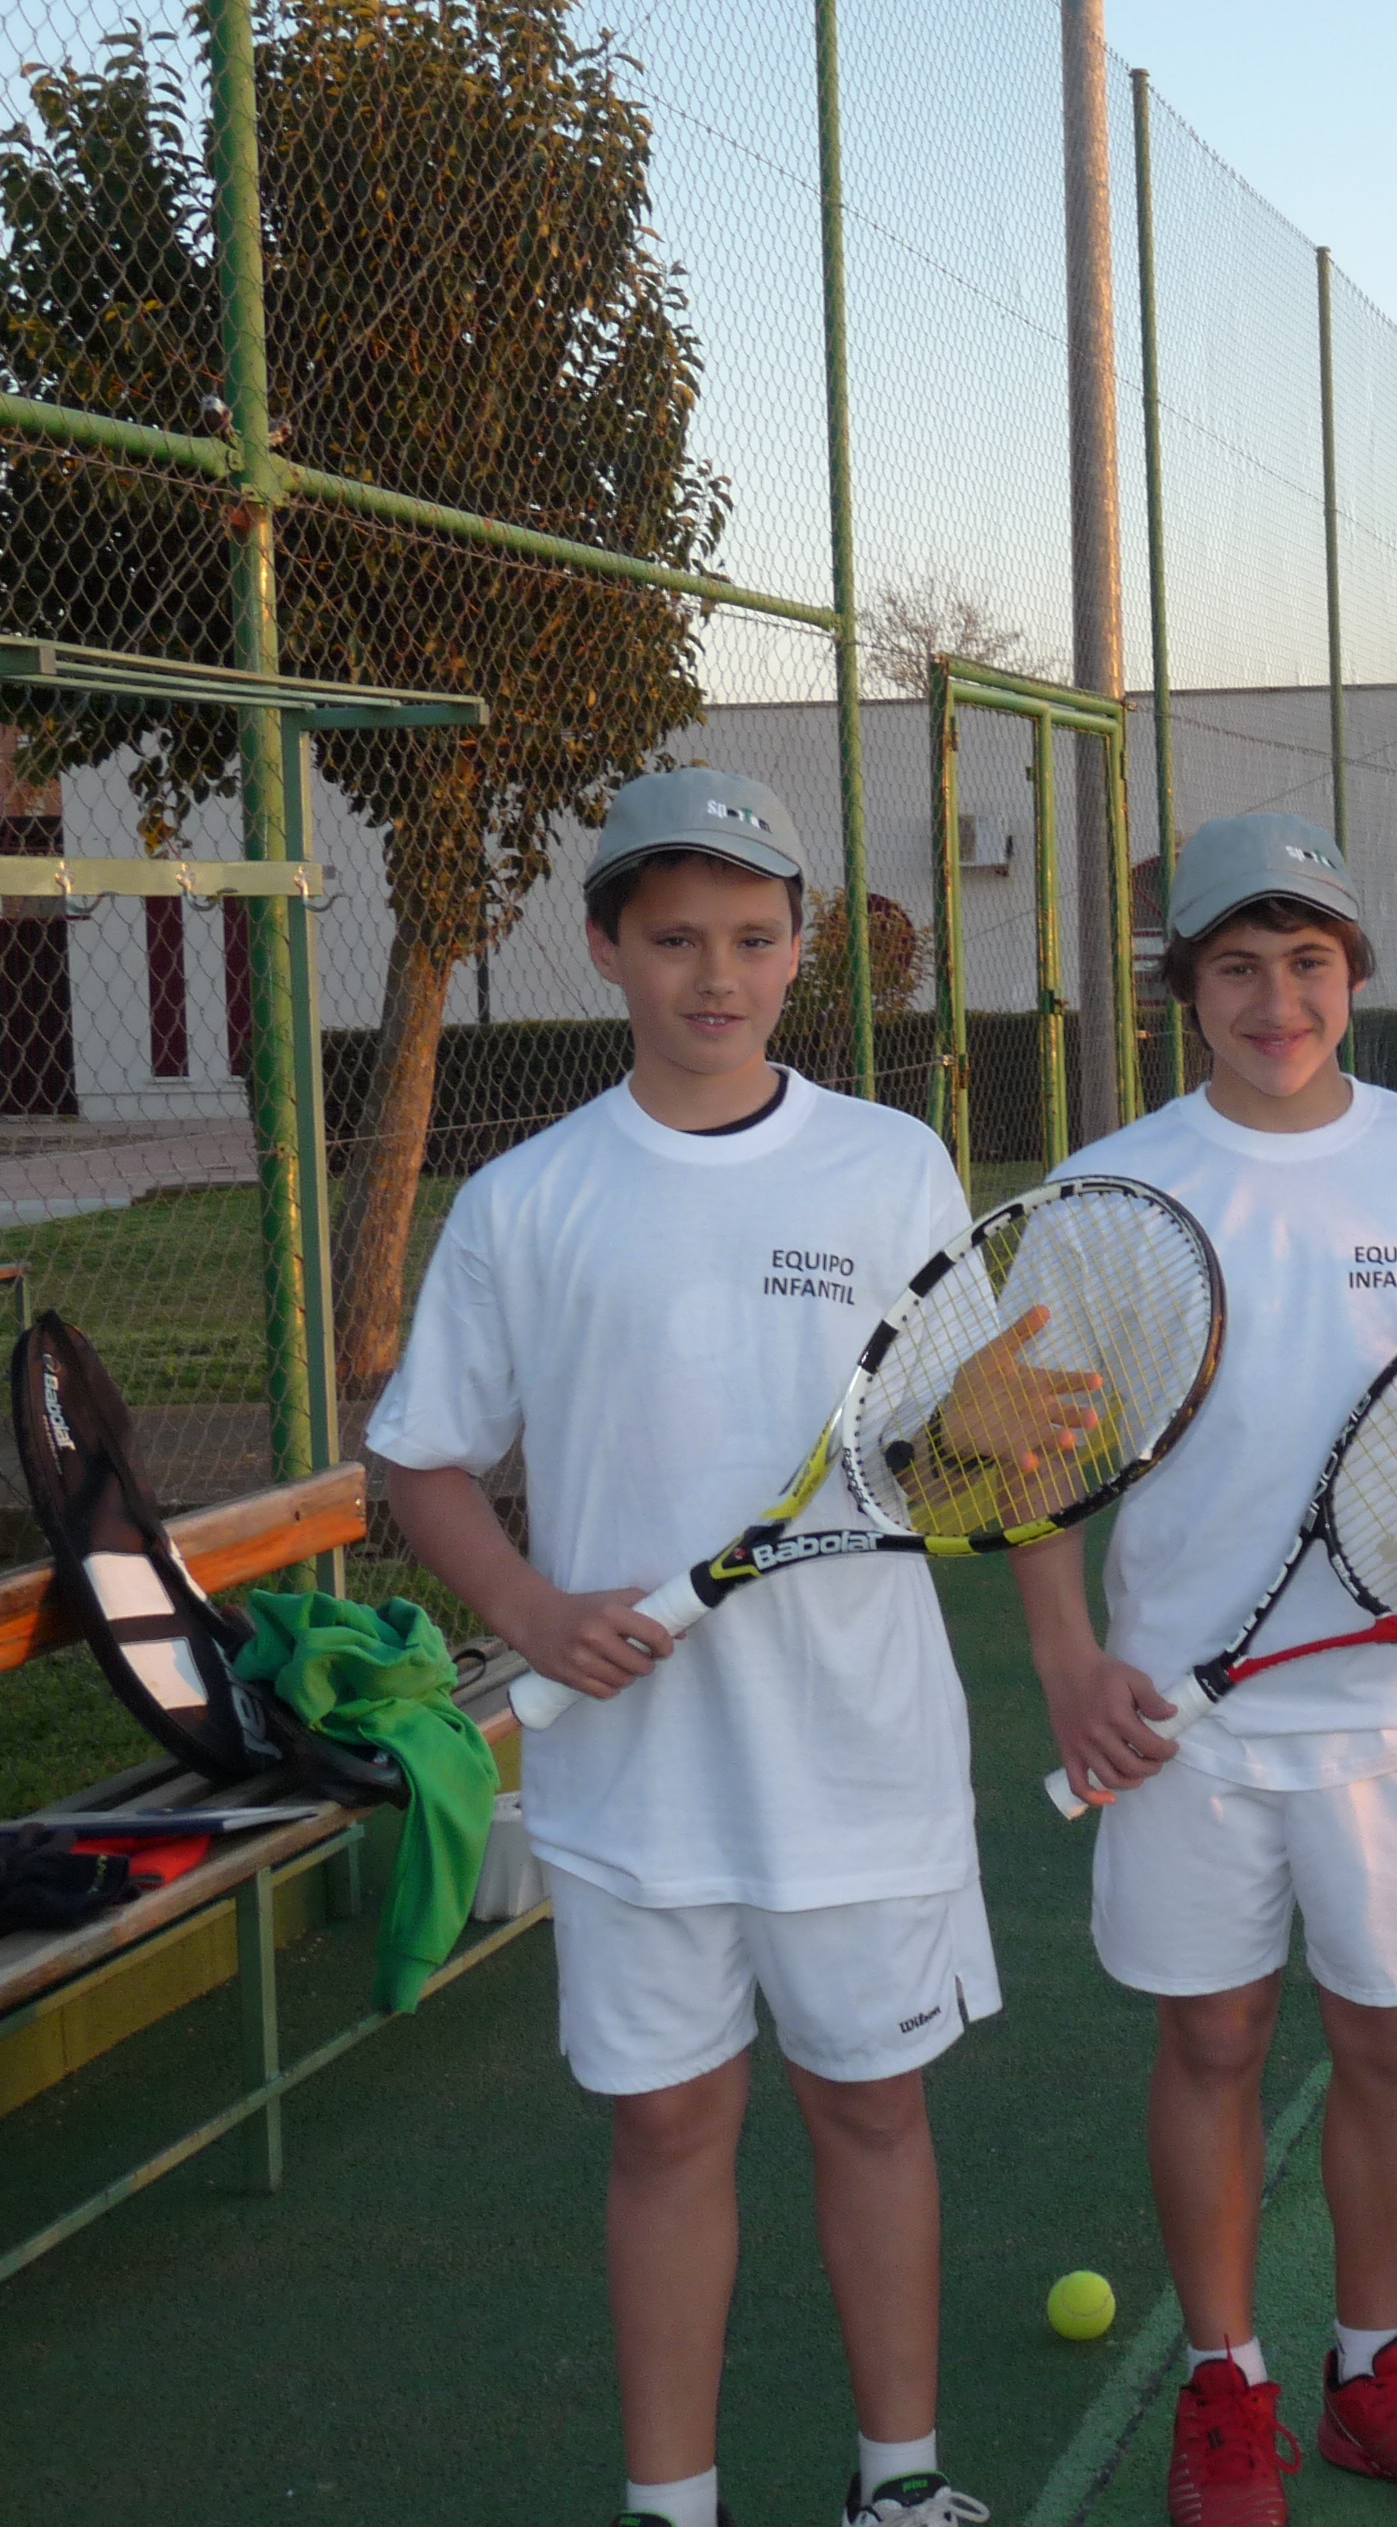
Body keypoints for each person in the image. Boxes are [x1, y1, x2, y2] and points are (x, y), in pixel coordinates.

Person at [377, 771, 1015, 2527]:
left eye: (750, 936)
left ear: (803, 950)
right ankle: (673, 2506)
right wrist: (528, 1613)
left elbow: (957, 1439)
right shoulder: (528, 1199)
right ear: (604, 947)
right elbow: (423, 1461)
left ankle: (900, 2486)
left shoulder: (892, 1168)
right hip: (635, 1781)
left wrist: (992, 1438)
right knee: (666, 2132)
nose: (714, 975)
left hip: (859, 1762)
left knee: (870, 2113)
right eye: (673, 939)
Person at [1019, 813, 1397, 2527]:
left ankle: (1374, 2371)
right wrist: (1069, 1655)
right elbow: (1030, 1448)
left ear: (1353, 977)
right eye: (1236, 967)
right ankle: (1227, 2386)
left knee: (1391, 2048)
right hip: (1185, 1719)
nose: (1276, 1000)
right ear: (1187, 990)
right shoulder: (1115, 1187)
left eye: (1307, 963)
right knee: (1216, 2040)